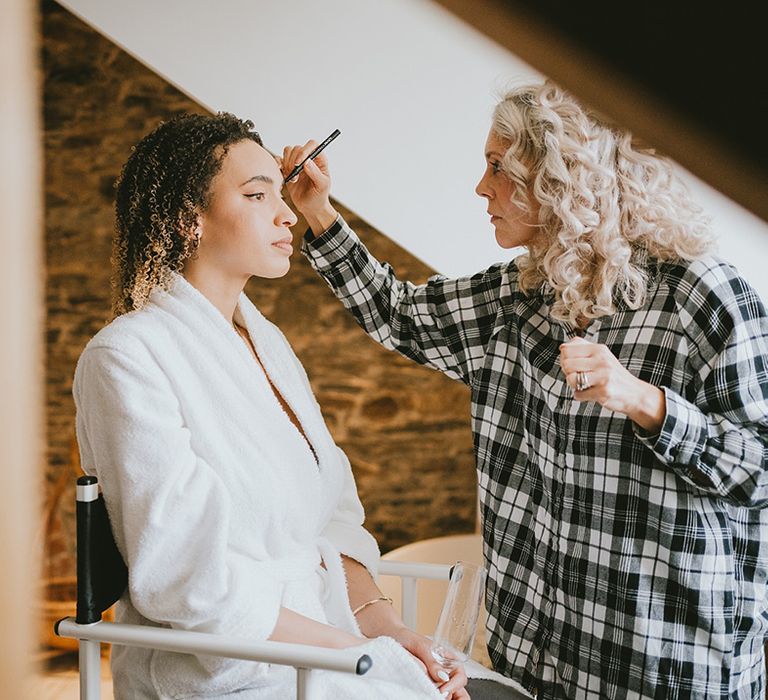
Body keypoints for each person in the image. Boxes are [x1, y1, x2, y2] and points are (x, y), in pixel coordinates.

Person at [284, 79, 768, 699]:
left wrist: (647, 403)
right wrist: (319, 210)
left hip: (667, 672)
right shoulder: (515, 299)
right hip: (539, 671)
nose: (481, 188)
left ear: (561, 177)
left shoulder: (703, 298)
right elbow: (400, 314)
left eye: (497, 167)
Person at [72, 112, 476, 699]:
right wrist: (367, 655)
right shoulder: (126, 357)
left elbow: (334, 515)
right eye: (258, 196)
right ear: (191, 219)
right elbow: (189, 582)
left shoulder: (269, 344)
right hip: (223, 668)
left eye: (279, 195)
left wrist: (391, 631)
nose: (288, 214)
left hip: (323, 647)